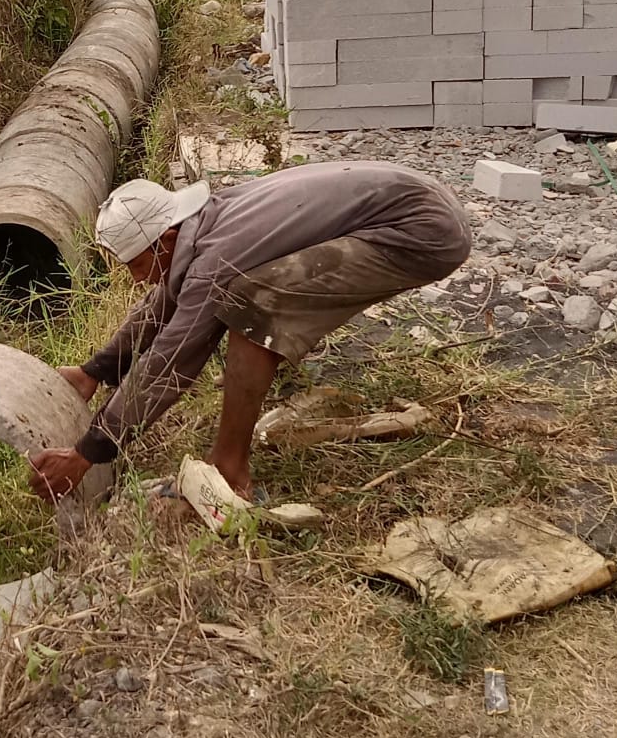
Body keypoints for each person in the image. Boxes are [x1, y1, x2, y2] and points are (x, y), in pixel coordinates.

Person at [29, 162, 472, 501]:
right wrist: (95, 371)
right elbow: (168, 298)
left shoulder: (215, 259)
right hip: (424, 198)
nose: (136, 279)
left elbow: (172, 359)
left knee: (251, 308)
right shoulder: (205, 223)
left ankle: (229, 471)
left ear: (166, 239)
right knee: (248, 297)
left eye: (136, 265)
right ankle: (240, 433)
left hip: (422, 233)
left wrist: (89, 452)